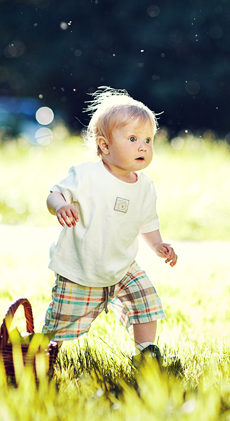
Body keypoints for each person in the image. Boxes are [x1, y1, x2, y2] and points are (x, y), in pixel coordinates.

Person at [42, 86, 178, 364]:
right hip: (81, 267)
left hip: (122, 266)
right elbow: (54, 194)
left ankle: (146, 353)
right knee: (61, 322)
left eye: (148, 140)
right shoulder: (86, 174)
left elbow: (147, 223)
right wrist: (61, 206)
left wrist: (158, 245)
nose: (143, 146)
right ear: (104, 145)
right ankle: (42, 355)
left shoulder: (145, 186)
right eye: (133, 138)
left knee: (146, 302)